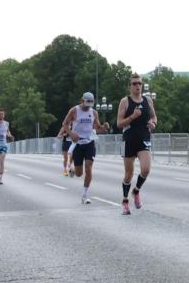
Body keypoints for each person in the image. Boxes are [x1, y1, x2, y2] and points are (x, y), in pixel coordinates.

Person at [117, 73, 157, 215]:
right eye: (134, 84)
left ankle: (136, 191)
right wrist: (133, 116)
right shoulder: (125, 102)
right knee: (129, 174)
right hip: (129, 139)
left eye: (139, 83)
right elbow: (119, 124)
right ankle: (125, 200)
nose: (137, 86)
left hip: (144, 138)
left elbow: (153, 116)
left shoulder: (148, 100)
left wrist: (153, 123)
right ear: (130, 86)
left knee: (146, 169)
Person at [61, 92, 111, 204]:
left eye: (91, 102)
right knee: (79, 173)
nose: (89, 104)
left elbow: (97, 127)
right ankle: (72, 168)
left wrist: (104, 127)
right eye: (87, 101)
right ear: (82, 100)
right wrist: (71, 133)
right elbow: (65, 124)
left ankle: (85, 195)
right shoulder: (74, 110)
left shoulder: (93, 112)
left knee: (88, 168)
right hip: (78, 143)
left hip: (89, 143)